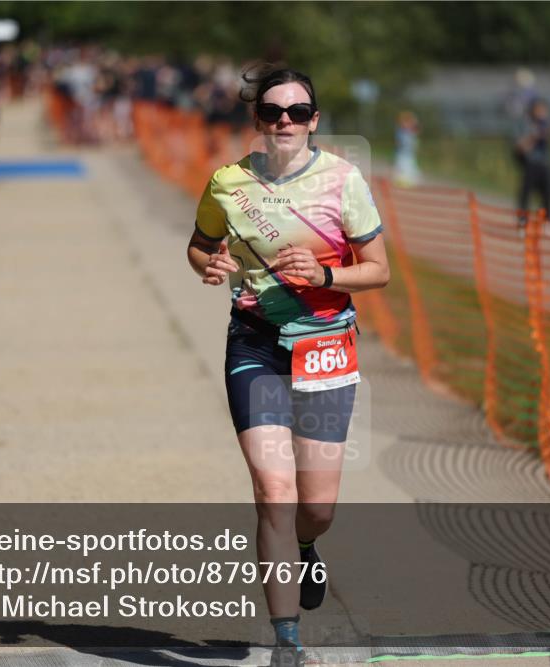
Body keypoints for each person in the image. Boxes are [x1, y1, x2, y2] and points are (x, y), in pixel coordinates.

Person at [185, 63, 390, 667]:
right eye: (273, 112)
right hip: (254, 343)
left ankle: (307, 546)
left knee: (316, 507)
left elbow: (378, 270)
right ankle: (288, 642)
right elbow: (200, 244)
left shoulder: (343, 181)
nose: (284, 121)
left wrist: (326, 274)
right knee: (273, 491)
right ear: (257, 120)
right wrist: (207, 265)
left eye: (297, 112)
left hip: (326, 345)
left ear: (313, 121)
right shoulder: (228, 183)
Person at [513, 97, 550, 227]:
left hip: (544, 163)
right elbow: (520, 147)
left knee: (548, 193)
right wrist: (533, 138)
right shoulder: (525, 125)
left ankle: (548, 220)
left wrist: (545, 132)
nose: (542, 113)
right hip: (531, 163)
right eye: (539, 110)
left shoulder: (545, 124)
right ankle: (522, 219)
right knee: (526, 192)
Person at [393, 110, 421, 187]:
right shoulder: (401, 131)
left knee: (410, 169)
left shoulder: (411, 131)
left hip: (410, 154)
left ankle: (408, 182)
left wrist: (413, 120)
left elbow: (417, 127)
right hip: (402, 154)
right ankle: (403, 182)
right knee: (403, 169)